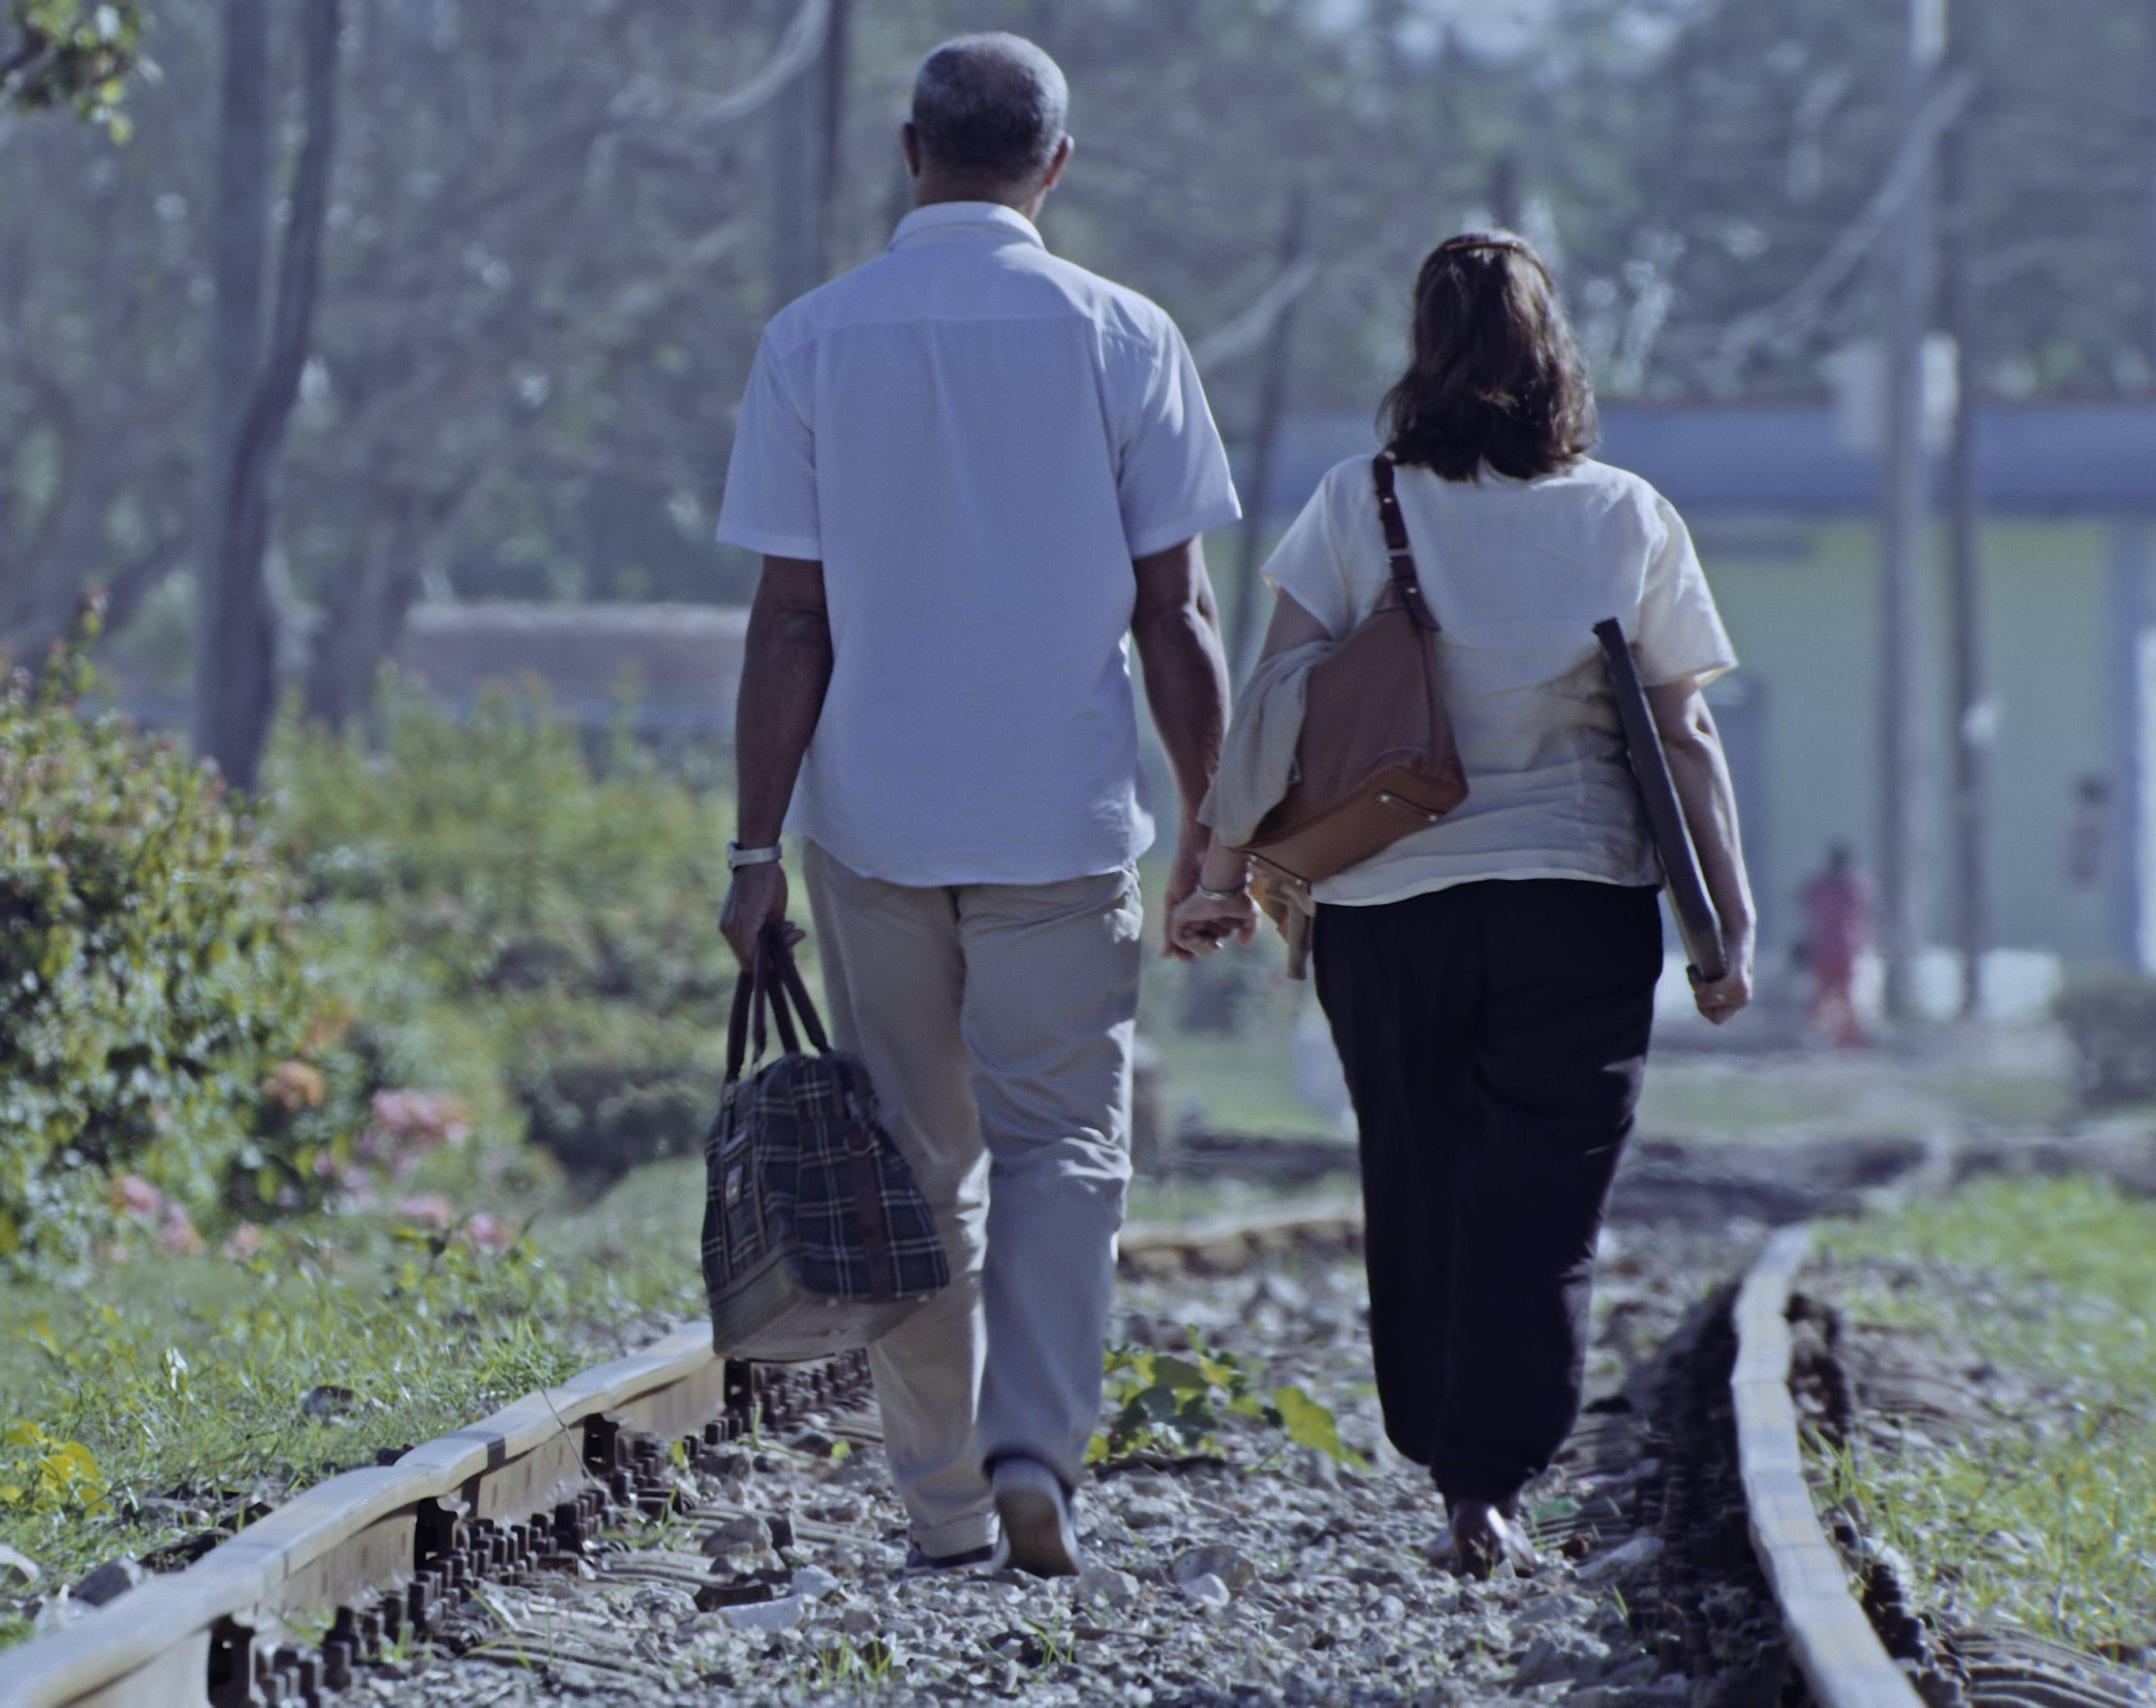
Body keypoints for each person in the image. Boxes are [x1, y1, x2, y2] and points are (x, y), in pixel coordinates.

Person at [713, 33, 1241, 1579]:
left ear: (908, 151)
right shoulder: (1125, 335)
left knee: (908, 1164)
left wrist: (754, 850)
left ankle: (945, 1502)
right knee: (1064, 1147)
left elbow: (789, 624)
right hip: (1064, 821)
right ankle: (1037, 1455)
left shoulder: (811, 341)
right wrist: (1213, 824)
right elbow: (1180, 618)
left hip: (872, 822)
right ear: (1055, 166)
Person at [1175, 231, 1756, 1578]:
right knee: (1541, 1200)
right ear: (1552, 350)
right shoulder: (1624, 513)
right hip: (1578, 906)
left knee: (1420, 1173)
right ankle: (1494, 1474)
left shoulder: (1355, 502)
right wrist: (1724, 927)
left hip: (1392, 908)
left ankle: (1450, 1460)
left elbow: (1272, 713)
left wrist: (1217, 877)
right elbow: (1685, 733)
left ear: (1424, 349)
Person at [1796, 843, 1874, 1049]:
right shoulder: (1857, 885)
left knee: (1824, 992)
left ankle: (1818, 1032)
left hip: (1824, 946)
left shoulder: (1821, 886)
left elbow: (1803, 903)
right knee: (1843, 993)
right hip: (1846, 947)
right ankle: (1848, 1036)